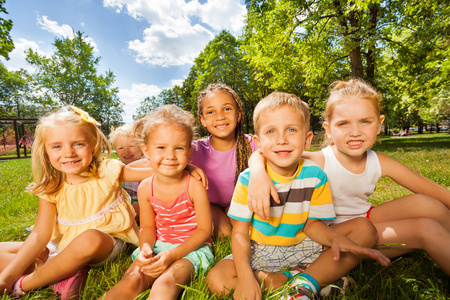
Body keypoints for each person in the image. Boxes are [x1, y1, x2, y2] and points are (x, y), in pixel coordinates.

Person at [248, 78, 450, 275]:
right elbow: (264, 153)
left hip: (365, 218)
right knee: (425, 228)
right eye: (344, 124)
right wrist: (258, 173)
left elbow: (431, 189)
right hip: (331, 235)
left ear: (379, 124)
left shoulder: (378, 161)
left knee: (427, 203)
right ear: (328, 130)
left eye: (365, 122)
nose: (355, 132)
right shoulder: (318, 160)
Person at [207, 92, 390, 300]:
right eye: (271, 131)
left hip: (307, 245)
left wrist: (335, 238)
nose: (282, 140)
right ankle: (307, 278)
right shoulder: (249, 179)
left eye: (291, 130)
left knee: (365, 229)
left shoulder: (315, 176)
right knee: (217, 279)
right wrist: (246, 275)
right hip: (260, 251)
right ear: (257, 142)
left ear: (307, 139)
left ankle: (304, 283)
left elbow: (312, 225)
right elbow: (239, 234)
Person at [0, 106, 155, 300]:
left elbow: (156, 170)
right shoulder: (51, 185)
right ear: (45, 151)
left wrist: (187, 166)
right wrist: (6, 275)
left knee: (89, 239)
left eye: (78, 144)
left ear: (93, 144)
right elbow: (40, 234)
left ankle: (26, 282)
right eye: (57, 146)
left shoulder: (107, 170)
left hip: (105, 243)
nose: (69, 153)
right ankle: (62, 274)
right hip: (62, 243)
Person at [99, 105, 213, 300]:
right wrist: (145, 248)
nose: (170, 155)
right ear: (146, 150)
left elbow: (204, 231)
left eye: (178, 148)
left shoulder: (194, 186)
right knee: (132, 280)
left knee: (165, 283)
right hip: (159, 246)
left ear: (189, 151)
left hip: (191, 250)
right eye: (161, 147)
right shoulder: (145, 188)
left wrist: (174, 255)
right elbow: (148, 227)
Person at [191, 83, 257, 237]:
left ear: (238, 115)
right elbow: (162, 160)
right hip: (209, 203)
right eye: (211, 112)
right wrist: (188, 167)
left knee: (247, 229)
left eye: (227, 109)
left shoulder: (252, 143)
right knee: (224, 232)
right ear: (202, 120)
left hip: (239, 200)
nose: (220, 116)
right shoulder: (194, 149)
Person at [109, 124, 142, 222]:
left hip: (145, 202)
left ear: (141, 147)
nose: (126, 151)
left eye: (131, 146)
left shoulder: (147, 163)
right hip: (123, 202)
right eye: (120, 148)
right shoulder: (115, 165)